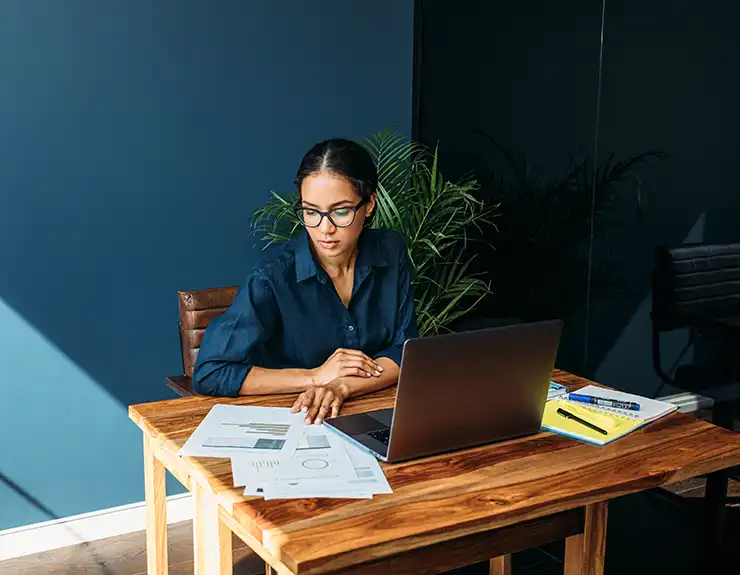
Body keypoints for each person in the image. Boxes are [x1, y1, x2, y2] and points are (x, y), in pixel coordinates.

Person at [193, 138, 418, 425]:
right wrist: (316, 376)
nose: (325, 229)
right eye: (311, 212)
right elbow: (211, 372)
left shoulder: (390, 250)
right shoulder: (273, 275)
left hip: (369, 415)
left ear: (369, 204)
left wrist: (340, 386)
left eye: (340, 211)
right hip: (293, 421)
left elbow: (404, 351)